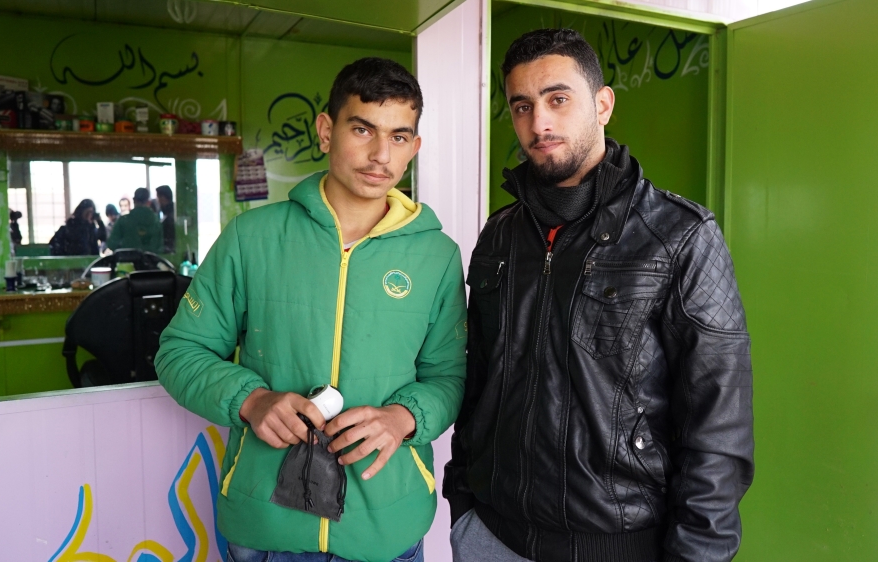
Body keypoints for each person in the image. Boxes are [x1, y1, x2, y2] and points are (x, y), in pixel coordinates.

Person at [444, 29, 754, 562]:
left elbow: (717, 423)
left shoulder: (680, 234)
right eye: (522, 106)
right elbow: (479, 380)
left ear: (603, 104)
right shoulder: (501, 233)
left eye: (558, 99)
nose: (539, 123)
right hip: (491, 536)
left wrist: (698, 554)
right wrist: (463, 505)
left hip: (621, 546)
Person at [155, 57, 467, 562]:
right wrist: (250, 400)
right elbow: (179, 351)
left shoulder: (437, 255)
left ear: (415, 147)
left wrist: (402, 418)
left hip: (385, 527)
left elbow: (448, 375)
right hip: (264, 528)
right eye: (362, 128)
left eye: (399, 136)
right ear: (326, 130)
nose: (380, 154)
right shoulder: (251, 237)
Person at [106, 188, 163, 253]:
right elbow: (160, 247)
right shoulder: (156, 222)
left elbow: (111, 244)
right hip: (150, 262)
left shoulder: (123, 221)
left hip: (127, 261)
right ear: (149, 202)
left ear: (134, 200)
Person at [155, 185, 175, 253]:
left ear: (163, 198)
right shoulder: (169, 214)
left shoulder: (170, 217)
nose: (157, 201)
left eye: (157, 198)